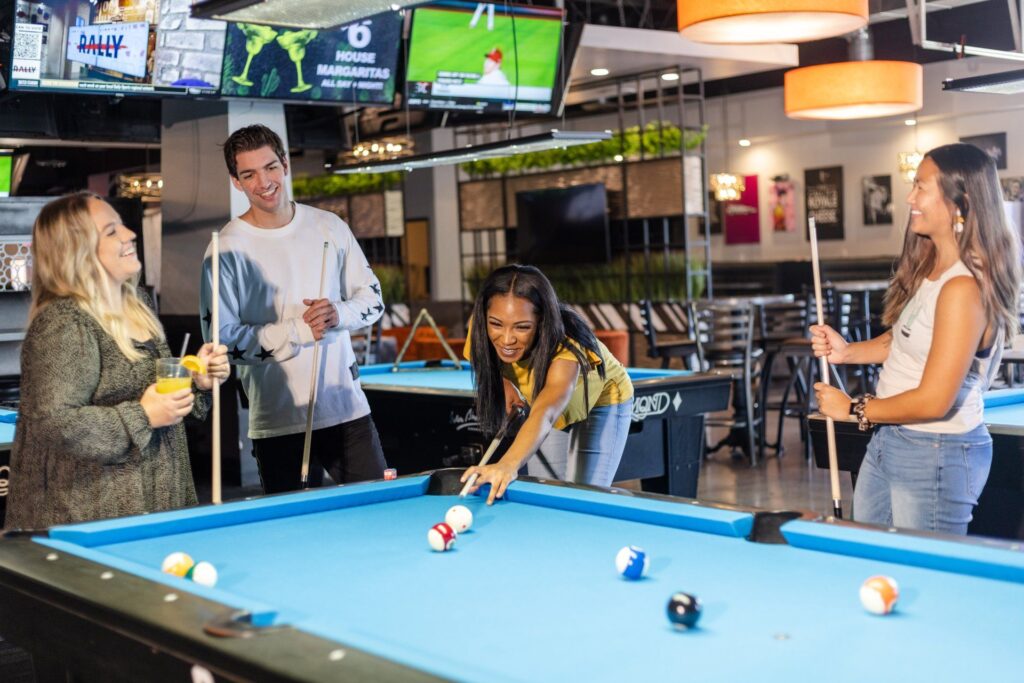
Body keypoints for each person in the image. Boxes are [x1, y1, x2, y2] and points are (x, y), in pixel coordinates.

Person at [812, 143, 1021, 535]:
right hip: (893, 437)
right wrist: (847, 352)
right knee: (874, 560)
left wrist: (854, 408)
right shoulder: (935, 268)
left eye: (921, 187)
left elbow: (934, 400)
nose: (910, 198)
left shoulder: (964, 287)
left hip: (935, 450)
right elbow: (905, 339)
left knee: (926, 576)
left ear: (961, 202)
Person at [4, 193, 229, 530]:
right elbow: (54, 424)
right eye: (111, 232)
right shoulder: (65, 322)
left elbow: (154, 393)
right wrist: (142, 416)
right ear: (76, 251)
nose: (129, 235)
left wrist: (195, 380)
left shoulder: (136, 304)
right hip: (90, 522)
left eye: (122, 225)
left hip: (158, 504)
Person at [201, 124, 387, 494]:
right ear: (236, 182)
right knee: (293, 537)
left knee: (381, 512)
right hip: (278, 421)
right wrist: (297, 330)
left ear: (285, 164)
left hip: (346, 411)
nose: (263, 181)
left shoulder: (329, 226)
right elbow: (221, 341)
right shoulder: (225, 249)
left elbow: (374, 300)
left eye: (270, 167)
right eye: (249, 174)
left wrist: (338, 313)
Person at [460, 265, 634, 504]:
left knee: (580, 500)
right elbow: (481, 360)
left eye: (522, 327)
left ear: (542, 322)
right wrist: (505, 383)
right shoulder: (482, 331)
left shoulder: (567, 346)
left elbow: (546, 411)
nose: (507, 338)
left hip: (602, 402)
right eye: (497, 324)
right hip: (546, 408)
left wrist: (507, 465)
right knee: (548, 497)